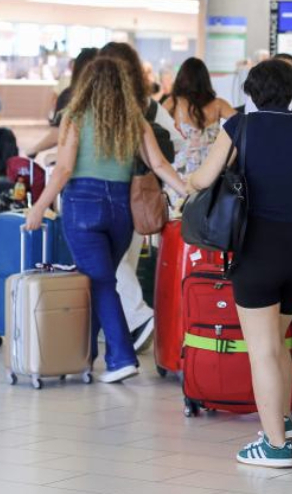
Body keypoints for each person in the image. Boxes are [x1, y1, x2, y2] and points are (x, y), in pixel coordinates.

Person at [188, 60, 292, 468]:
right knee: (276, 341)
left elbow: (204, 180)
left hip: (256, 253)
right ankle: (283, 423)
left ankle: (275, 446)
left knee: (261, 350)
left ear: (251, 93)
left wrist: (188, 182)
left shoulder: (239, 127)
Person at [24, 58, 188, 383]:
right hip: (121, 210)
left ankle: (121, 358)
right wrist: (187, 190)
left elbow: (64, 169)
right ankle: (82, 356)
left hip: (83, 206)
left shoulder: (74, 117)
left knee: (99, 282)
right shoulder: (134, 120)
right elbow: (158, 163)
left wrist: (39, 206)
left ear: (86, 85)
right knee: (99, 280)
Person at [99, 41, 177, 351]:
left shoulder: (102, 106)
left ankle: (140, 317)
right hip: (141, 193)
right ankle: (129, 328)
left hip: (110, 194)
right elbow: (175, 144)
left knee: (111, 261)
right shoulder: (149, 106)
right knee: (124, 262)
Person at [163, 56, 235, 187]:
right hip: (211, 172)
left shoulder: (173, 102)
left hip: (181, 174)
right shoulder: (219, 104)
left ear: (181, 79)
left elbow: (156, 127)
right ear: (205, 80)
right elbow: (242, 124)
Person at [24, 48, 98, 158]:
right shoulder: (113, 98)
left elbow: (58, 133)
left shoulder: (70, 95)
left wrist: (33, 150)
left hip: (77, 162)